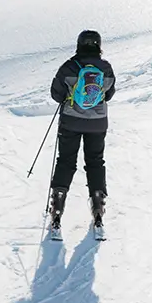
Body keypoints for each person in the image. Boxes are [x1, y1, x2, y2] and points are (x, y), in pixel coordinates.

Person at [47, 30, 115, 234]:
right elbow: (109, 94)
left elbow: (56, 94)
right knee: (95, 161)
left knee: (66, 160)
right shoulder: (106, 68)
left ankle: (57, 207)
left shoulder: (69, 66)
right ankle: (98, 207)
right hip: (98, 123)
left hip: (71, 122)